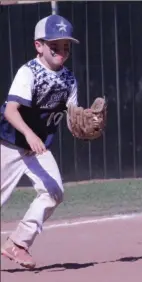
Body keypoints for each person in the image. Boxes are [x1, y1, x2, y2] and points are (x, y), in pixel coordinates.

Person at [0, 14, 80, 269]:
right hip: (10, 143)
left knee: (54, 191)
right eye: (54, 45)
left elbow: (72, 115)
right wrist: (30, 134)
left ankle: (18, 243)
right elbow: (10, 111)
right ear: (39, 45)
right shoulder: (29, 72)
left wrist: (84, 122)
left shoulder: (69, 80)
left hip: (38, 147)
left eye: (65, 45)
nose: (61, 50)